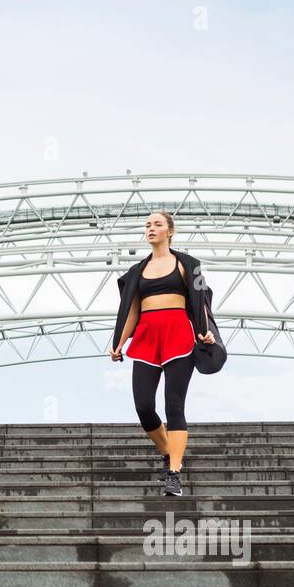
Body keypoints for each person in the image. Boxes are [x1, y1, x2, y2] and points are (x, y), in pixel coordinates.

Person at [109, 211, 216, 496]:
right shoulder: (136, 272)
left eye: (157, 224)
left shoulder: (187, 265)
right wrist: (118, 342)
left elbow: (201, 301)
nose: (151, 228)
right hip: (146, 338)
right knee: (144, 406)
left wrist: (206, 330)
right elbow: (131, 310)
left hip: (178, 336)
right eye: (147, 225)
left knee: (174, 406)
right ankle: (170, 452)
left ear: (170, 231)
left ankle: (174, 474)